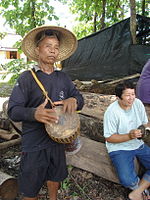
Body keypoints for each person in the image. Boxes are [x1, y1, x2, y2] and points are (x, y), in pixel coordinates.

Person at [7, 25, 84, 200]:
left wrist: (74, 100)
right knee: (30, 188)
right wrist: (34, 114)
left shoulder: (63, 78)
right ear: (37, 50)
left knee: (55, 177)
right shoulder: (26, 78)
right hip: (34, 144)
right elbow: (13, 110)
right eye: (48, 46)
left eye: (56, 47)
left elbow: (79, 98)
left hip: (57, 143)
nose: (53, 51)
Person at [103, 80, 150, 200]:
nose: (131, 98)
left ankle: (138, 192)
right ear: (118, 97)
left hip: (137, 144)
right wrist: (129, 136)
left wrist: (147, 129)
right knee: (127, 180)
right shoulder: (112, 112)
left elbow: (145, 123)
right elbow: (109, 137)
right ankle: (141, 190)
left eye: (133, 94)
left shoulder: (138, 103)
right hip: (119, 147)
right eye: (127, 95)